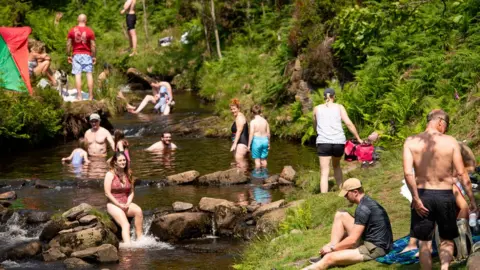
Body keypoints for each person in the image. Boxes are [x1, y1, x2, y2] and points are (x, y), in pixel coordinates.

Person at [403, 109, 477, 270]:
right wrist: (472, 200)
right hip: (445, 195)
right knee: (446, 239)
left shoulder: (410, 141)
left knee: (424, 242)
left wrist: (415, 198)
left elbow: (408, 173)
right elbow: (462, 173)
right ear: (440, 122)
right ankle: (444, 268)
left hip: (422, 195)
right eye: (446, 126)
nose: (446, 130)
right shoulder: (450, 142)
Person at [304, 178, 393, 270]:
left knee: (329, 258)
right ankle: (331, 248)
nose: (345, 197)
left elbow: (352, 240)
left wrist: (332, 249)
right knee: (341, 215)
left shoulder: (362, 209)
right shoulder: (366, 201)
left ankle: (325, 256)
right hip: (375, 240)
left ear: (355, 192)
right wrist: (333, 246)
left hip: (376, 249)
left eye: (346, 194)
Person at [313, 88, 363, 193]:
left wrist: (317, 133)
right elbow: (349, 123)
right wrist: (358, 138)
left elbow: (315, 125)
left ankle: (324, 196)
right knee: (336, 166)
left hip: (323, 142)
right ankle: (341, 190)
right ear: (334, 96)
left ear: (323, 97)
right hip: (338, 142)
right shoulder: (339, 107)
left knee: (324, 171)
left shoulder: (317, 108)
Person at [104, 152, 143, 244]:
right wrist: (118, 204)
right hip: (113, 204)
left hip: (125, 202)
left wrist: (128, 203)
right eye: (120, 160)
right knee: (126, 225)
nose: (123, 162)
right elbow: (107, 193)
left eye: (124, 160)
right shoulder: (110, 174)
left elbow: (131, 192)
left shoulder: (128, 173)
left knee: (139, 211)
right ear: (115, 162)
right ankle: (128, 246)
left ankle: (140, 239)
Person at [67, 14, 96, 100]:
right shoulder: (90, 31)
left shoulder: (72, 30)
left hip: (76, 55)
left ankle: (79, 96)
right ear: (86, 20)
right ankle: (90, 96)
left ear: (77, 20)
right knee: (89, 74)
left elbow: (68, 44)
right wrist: (93, 56)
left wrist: (68, 55)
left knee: (77, 75)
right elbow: (93, 45)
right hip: (87, 55)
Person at [247, 105, 270, 177]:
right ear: (260, 112)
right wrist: (269, 143)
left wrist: (248, 145)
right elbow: (268, 133)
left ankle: (258, 178)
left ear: (252, 112)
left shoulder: (252, 122)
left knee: (257, 161)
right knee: (263, 160)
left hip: (257, 141)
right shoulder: (265, 121)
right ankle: (265, 175)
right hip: (265, 140)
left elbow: (251, 134)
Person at [230, 99, 249, 172]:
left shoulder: (240, 117)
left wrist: (234, 144)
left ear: (238, 108)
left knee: (240, 162)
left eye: (234, 109)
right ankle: (244, 179)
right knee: (238, 163)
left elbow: (239, 131)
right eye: (231, 109)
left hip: (241, 143)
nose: (232, 111)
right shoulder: (238, 116)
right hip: (240, 143)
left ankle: (244, 179)